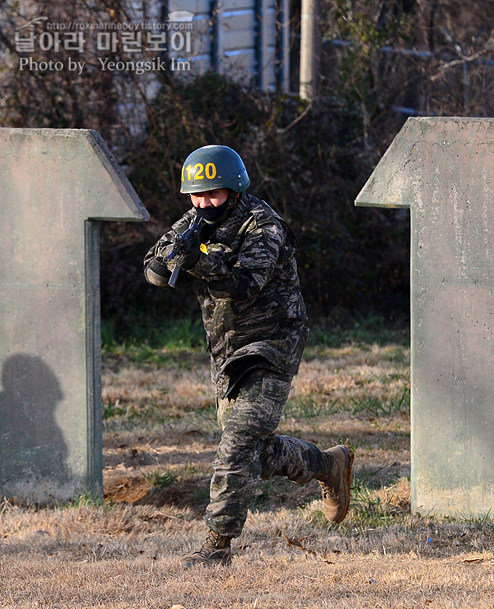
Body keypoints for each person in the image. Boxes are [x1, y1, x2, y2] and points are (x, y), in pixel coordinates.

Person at [143, 145, 354, 567]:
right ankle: (328, 466)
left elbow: (246, 284)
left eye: (213, 194)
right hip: (227, 350)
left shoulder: (264, 225)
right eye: (196, 195)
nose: (203, 203)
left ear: (234, 190)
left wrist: (198, 264)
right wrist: (172, 259)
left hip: (273, 344)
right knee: (254, 450)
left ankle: (217, 547)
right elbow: (152, 266)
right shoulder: (193, 222)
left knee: (237, 443)